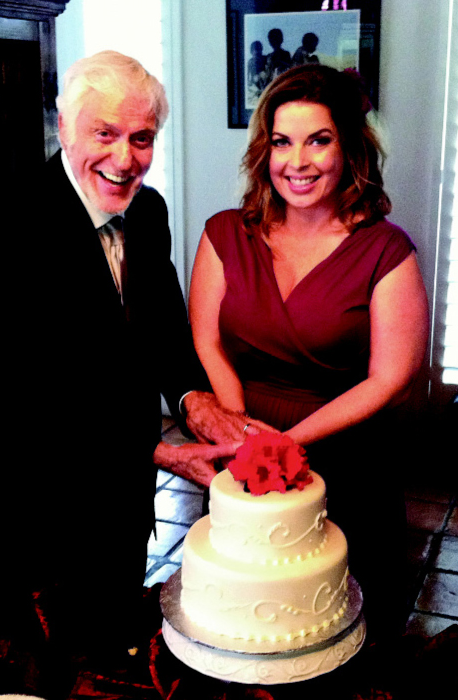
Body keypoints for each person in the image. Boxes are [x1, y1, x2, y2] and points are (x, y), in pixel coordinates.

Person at [0, 51, 271, 699]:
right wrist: (160, 451)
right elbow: (9, 398)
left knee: (110, 655)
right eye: (104, 134)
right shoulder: (7, 227)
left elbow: (162, 322)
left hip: (121, 499)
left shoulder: (150, 210)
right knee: (43, 665)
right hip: (33, 506)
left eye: (141, 138)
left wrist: (193, 400)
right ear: (64, 128)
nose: (124, 157)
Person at [189, 64, 429, 645]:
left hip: (348, 452)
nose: (297, 162)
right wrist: (242, 429)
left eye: (318, 140)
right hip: (242, 445)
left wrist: (288, 443)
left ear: (349, 149)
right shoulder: (225, 233)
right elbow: (206, 339)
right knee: (245, 628)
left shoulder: (385, 250)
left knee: (344, 632)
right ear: (263, 152)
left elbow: (391, 379)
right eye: (281, 142)